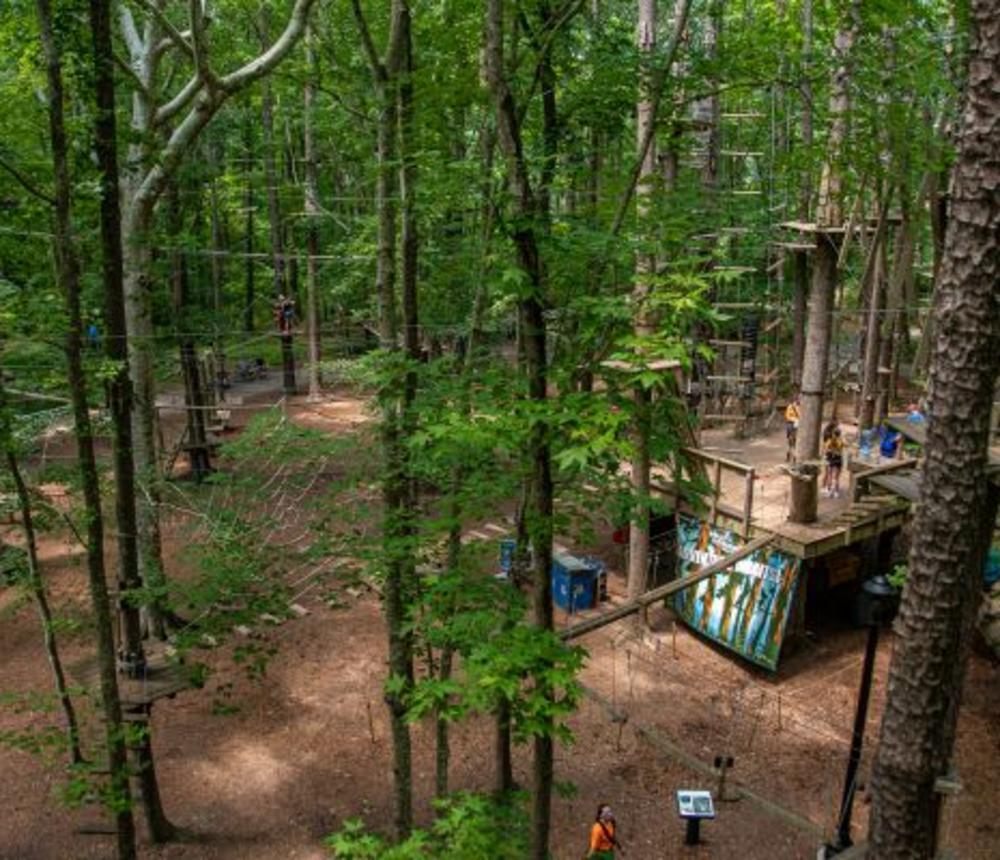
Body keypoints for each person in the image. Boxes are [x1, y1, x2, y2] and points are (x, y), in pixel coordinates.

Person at [823, 425, 844, 498]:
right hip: (839, 459)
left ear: (833, 433)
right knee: (836, 477)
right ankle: (836, 492)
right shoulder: (840, 441)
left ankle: (829, 491)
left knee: (830, 475)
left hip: (831, 459)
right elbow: (841, 450)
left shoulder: (830, 441)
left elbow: (825, 450)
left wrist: (829, 451)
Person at [784, 396, 801, 462]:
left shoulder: (799, 407)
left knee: (795, 442)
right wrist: (794, 419)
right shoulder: (790, 407)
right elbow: (787, 416)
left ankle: (793, 456)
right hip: (791, 425)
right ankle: (790, 455)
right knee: (790, 442)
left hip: (797, 426)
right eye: (799, 400)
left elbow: (801, 416)